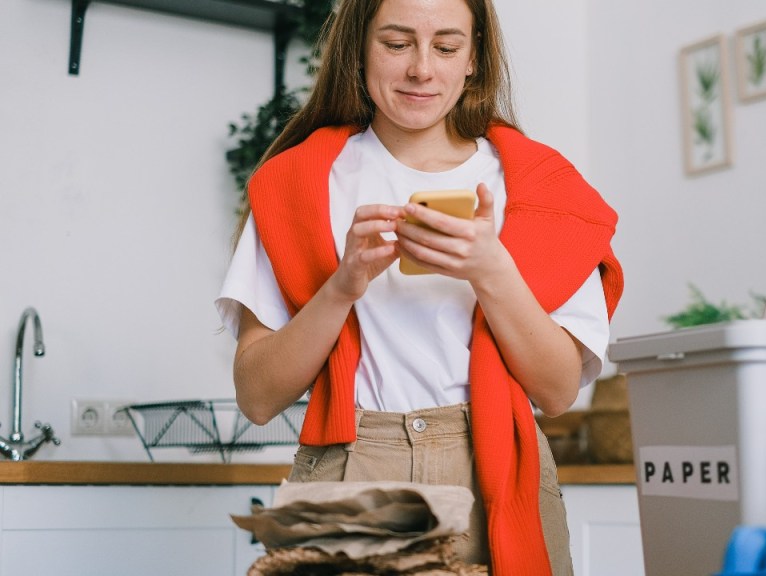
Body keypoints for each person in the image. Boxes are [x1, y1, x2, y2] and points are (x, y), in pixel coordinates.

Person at [215, 0, 623, 574]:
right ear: (358, 47)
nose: (423, 69)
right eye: (397, 43)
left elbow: (556, 393)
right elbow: (257, 398)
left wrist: (491, 269)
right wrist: (341, 287)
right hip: (351, 464)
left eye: (448, 46)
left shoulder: (542, 191)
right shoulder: (296, 183)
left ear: (475, 57)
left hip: (494, 467)